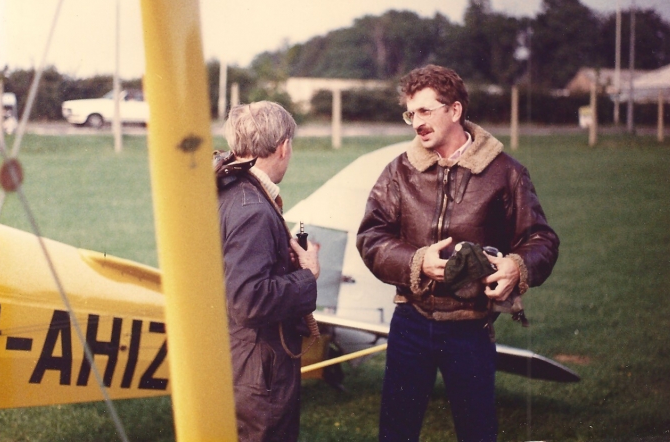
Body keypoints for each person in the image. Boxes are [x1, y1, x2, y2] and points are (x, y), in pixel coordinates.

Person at [356, 65, 559, 442]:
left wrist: (517, 267)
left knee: (477, 432)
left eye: (425, 111)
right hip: (410, 322)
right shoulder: (399, 172)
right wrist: (416, 262)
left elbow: (541, 240)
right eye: (410, 113)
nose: (416, 122)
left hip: (471, 328)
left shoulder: (505, 173)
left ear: (455, 111)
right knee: (395, 433)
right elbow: (371, 236)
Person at [216, 101, 320, 442]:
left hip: (232, 355)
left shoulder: (226, 190)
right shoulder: (254, 211)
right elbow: (248, 300)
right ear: (284, 147)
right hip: (257, 369)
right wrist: (307, 275)